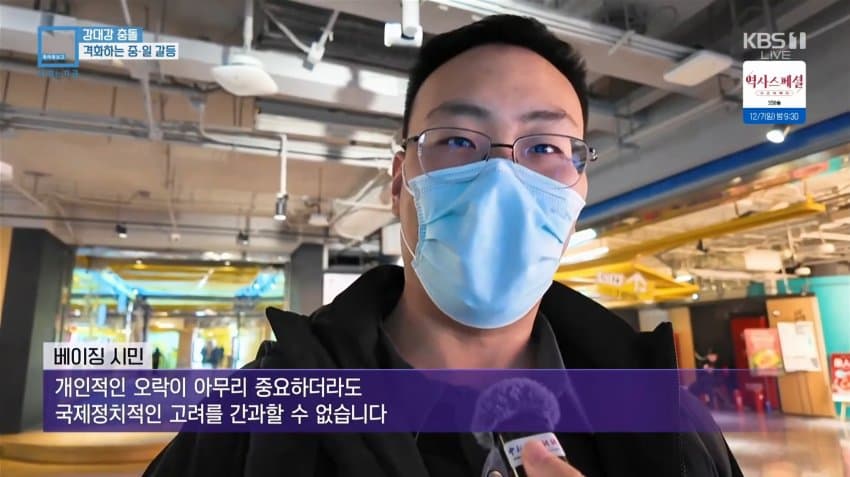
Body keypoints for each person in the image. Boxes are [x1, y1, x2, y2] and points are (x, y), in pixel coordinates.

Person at [145, 15, 742, 477]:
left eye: (545, 147)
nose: (502, 179)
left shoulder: (671, 429)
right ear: (398, 182)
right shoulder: (252, 423)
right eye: (457, 139)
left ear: (579, 188)